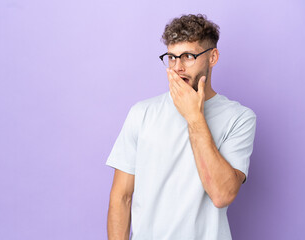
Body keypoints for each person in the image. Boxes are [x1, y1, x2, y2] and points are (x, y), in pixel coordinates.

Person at [106, 14, 257, 240]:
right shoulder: (142, 113)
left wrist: (194, 117)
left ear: (212, 57)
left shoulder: (240, 118)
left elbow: (222, 194)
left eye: (188, 56)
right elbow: (122, 197)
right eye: (171, 58)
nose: (177, 68)